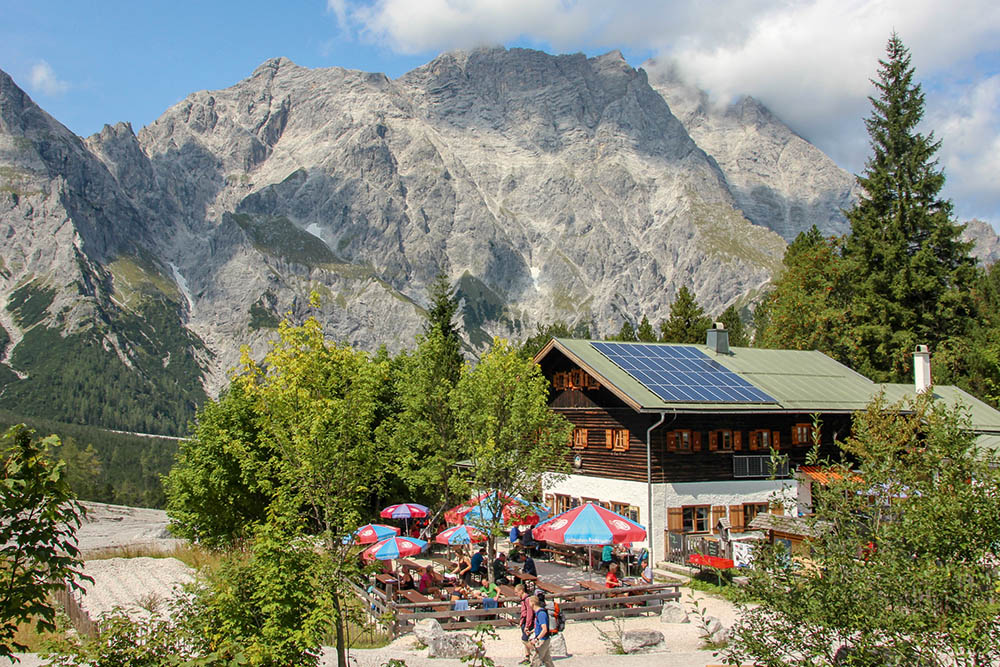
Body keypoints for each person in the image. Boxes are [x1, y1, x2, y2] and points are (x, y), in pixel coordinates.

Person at [529, 595, 554, 667]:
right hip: (543, 639)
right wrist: (532, 631)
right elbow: (539, 626)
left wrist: (536, 639)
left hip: (543, 640)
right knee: (548, 661)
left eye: (529, 602)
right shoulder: (538, 613)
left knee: (536, 660)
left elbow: (544, 629)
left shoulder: (541, 614)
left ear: (533, 603)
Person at [516, 583, 535, 665]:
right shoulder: (523, 599)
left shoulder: (527, 599)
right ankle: (527, 657)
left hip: (528, 623)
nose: (516, 594)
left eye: (517, 592)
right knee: (526, 639)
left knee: (524, 639)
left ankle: (537, 653)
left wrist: (527, 625)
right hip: (524, 622)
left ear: (521, 591)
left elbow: (529, 613)